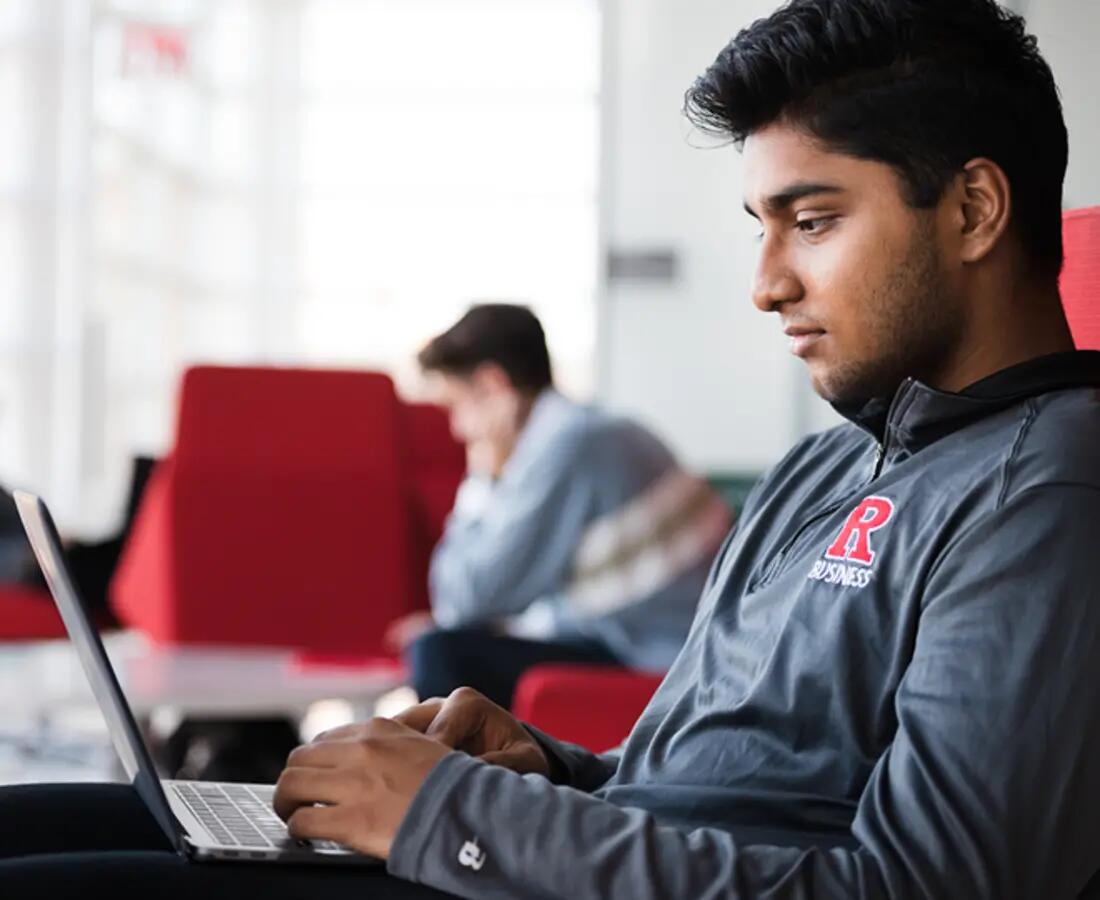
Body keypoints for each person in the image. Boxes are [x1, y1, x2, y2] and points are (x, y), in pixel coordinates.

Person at [4, 0, 1100, 896]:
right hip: (541, 862)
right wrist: (552, 772)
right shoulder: (825, 466)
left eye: (809, 221)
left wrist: (461, 821)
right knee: (44, 824)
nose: (764, 283)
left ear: (970, 211)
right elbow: (712, 785)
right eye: (758, 228)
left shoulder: (1044, 492)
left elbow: (923, 888)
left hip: (511, 878)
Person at [388, 303, 731, 708]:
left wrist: (482, 479)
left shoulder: (564, 445)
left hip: (661, 660)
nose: (457, 429)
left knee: (439, 652)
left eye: (456, 407)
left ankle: (460, 774)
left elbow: (464, 600)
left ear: (492, 386)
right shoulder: (591, 430)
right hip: (660, 642)